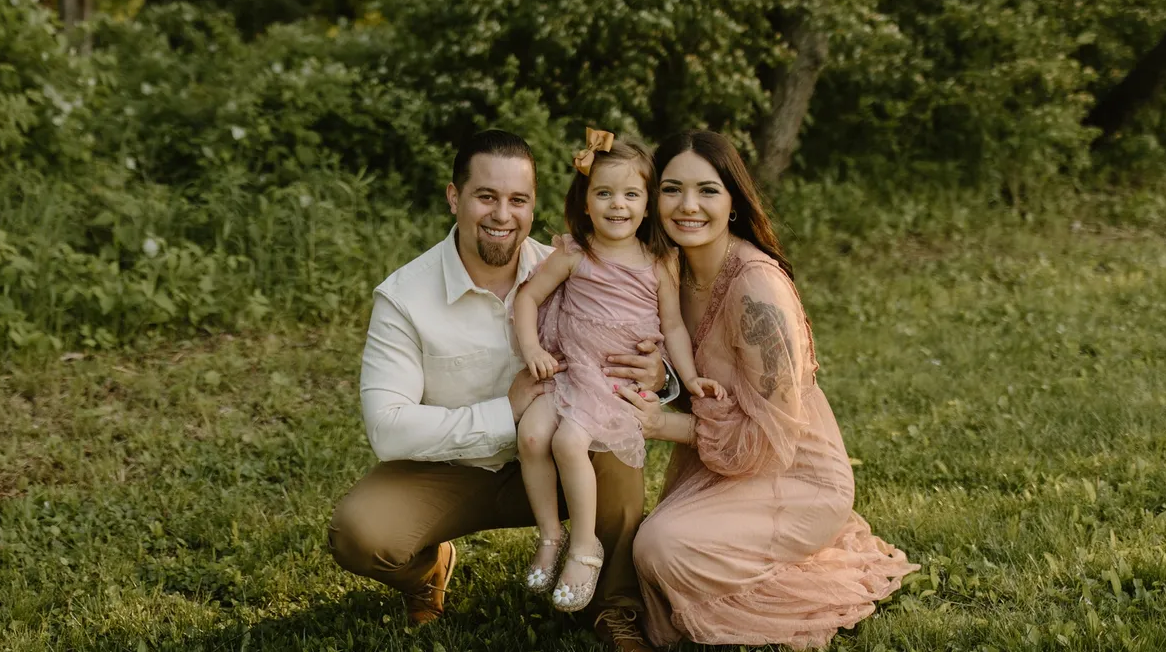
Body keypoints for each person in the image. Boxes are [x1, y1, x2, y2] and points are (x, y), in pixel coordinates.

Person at [326, 130, 672, 651]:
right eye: (486, 197)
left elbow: (639, 333)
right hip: (452, 467)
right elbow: (387, 429)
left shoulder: (573, 265)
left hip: (562, 455)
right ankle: (427, 571)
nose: (502, 215)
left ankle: (613, 606)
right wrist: (505, 411)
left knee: (616, 449)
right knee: (361, 533)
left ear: (533, 205)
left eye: (518, 200)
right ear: (454, 197)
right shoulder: (404, 297)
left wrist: (659, 374)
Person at [620, 130, 918, 649]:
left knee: (660, 548)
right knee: (642, 547)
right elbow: (705, 385)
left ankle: (805, 569)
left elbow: (768, 434)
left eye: (707, 190)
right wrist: (660, 378)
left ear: (733, 201)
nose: (687, 205)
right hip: (724, 466)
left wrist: (664, 424)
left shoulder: (757, 287)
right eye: (671, 189)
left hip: (794, 472)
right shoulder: (670, 271)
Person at [511, 129, 724, 612]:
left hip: (612, 384)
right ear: (586, 202)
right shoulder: (575, 253)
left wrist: (688, 377)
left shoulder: (658, 263)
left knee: (567, 442)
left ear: (648, 206)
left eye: (631, 194)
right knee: (532, 436)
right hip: (570, 371)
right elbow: (528, 298)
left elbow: (672, 326)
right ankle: (551, 535)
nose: (617, 205)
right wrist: (531, 348)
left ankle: (586, 547)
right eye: (604, 193)